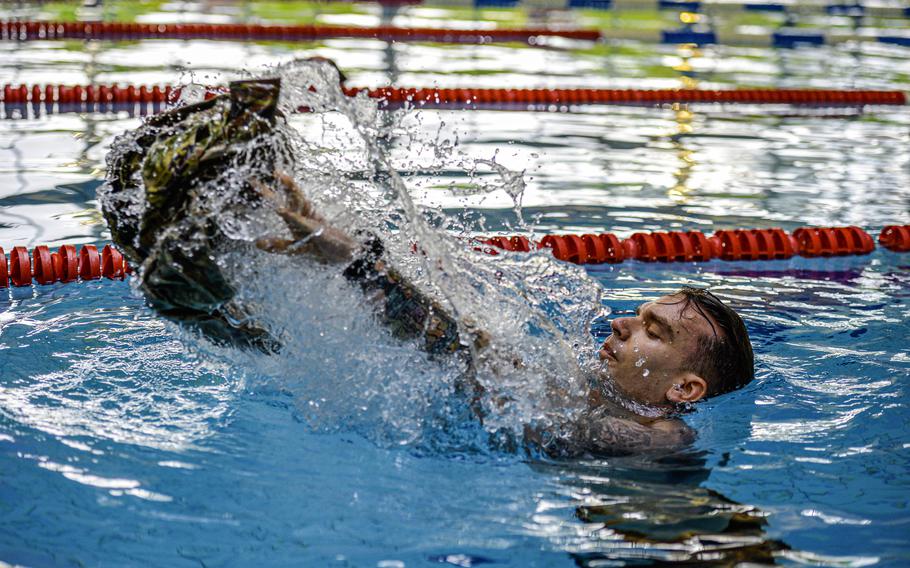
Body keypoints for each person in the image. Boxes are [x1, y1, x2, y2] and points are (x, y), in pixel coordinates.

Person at [101, 77, 755, 457]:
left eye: (651, 330)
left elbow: (470, 362)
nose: (617, 323)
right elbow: (474, 351)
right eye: (638, 316)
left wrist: (352, 256)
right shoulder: (585, 375)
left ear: (686, 389)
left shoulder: (657, 442)